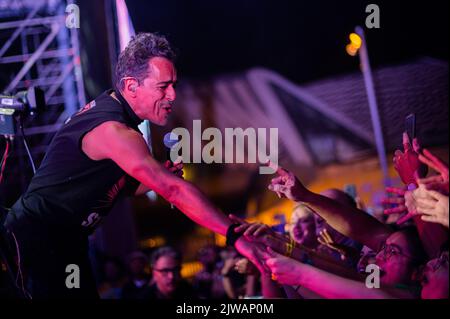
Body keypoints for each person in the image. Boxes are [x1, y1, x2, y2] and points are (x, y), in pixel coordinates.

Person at [1, 32, 261, 298]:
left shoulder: (118, 117)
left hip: (64, 243)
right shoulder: (114, 130)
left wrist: (152, 180)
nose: (172, 95)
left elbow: (119, 186)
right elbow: (175, 191)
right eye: (163, 86)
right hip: (36, 238)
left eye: (174, 85)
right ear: (131, 86)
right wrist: (234, 237)